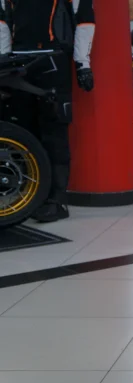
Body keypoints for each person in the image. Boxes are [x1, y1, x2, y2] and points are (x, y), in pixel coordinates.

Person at [0, 0, 95, 223]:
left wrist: (83, 63)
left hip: (53, 58)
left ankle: (57, 200)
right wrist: (4, 58)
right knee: (23, 130)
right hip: (18, 60)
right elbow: (3, 21)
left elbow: (84, 20)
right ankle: (30, 195)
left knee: (54, 130)